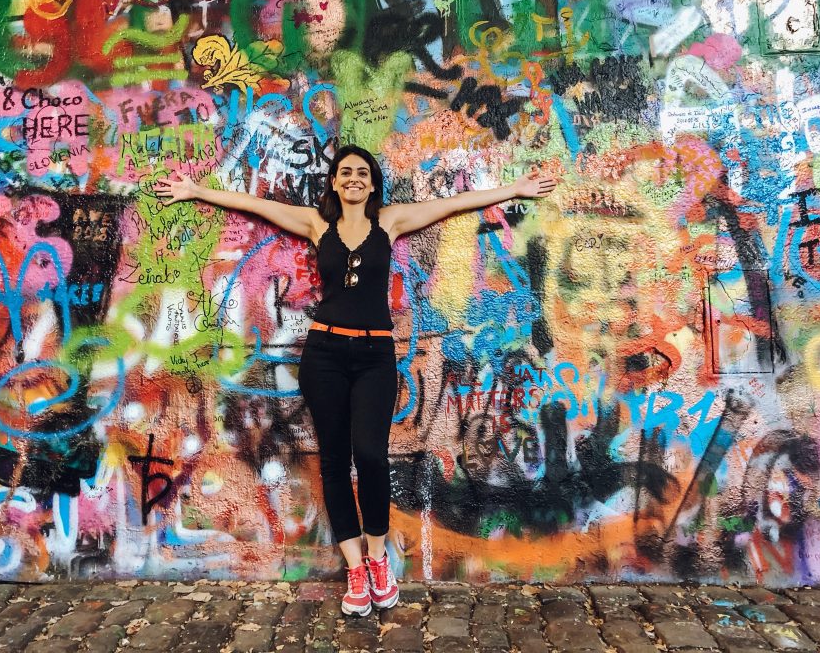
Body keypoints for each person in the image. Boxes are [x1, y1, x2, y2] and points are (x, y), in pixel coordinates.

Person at [154, 144, 558, 615]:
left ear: (372, 181)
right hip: (324, 354)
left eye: (362, 172)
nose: (353, 179)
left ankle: (378, 557)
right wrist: (194, 190)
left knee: (369, 454)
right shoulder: (315, 223)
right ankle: (355, 570)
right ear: (334, 181)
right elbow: (255, 205)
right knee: (333, 461)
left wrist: (517, 189)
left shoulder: (390, 221)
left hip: (374, 355)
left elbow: (452, 204)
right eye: (345, 172)